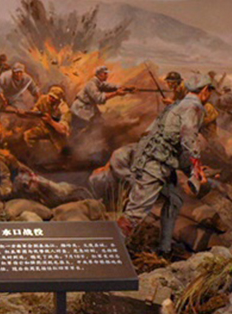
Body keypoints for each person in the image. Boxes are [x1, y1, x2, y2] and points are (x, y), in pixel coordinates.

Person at [117, 74, 213, 255]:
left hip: (160, 163)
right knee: (135, 214)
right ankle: (113, 252)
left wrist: (191, 168)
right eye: (210, 92)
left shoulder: (175, 105)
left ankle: (164, 249)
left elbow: (155, 135)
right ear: (206, 90)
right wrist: (197, 167)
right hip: (154, 165)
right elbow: (188, 139)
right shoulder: (193, 107)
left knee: (174, 201)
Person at [69, 65, 127, 132]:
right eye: (105, 73)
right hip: (80, 109)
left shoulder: (98, 82)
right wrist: (116, 93)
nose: (107, 75)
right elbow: (99, 99)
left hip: (88, 108)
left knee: (100, 124)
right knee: (84, 130)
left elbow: (107, 86)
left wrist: (121, 87)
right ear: (100, 74)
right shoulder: (91, 84)